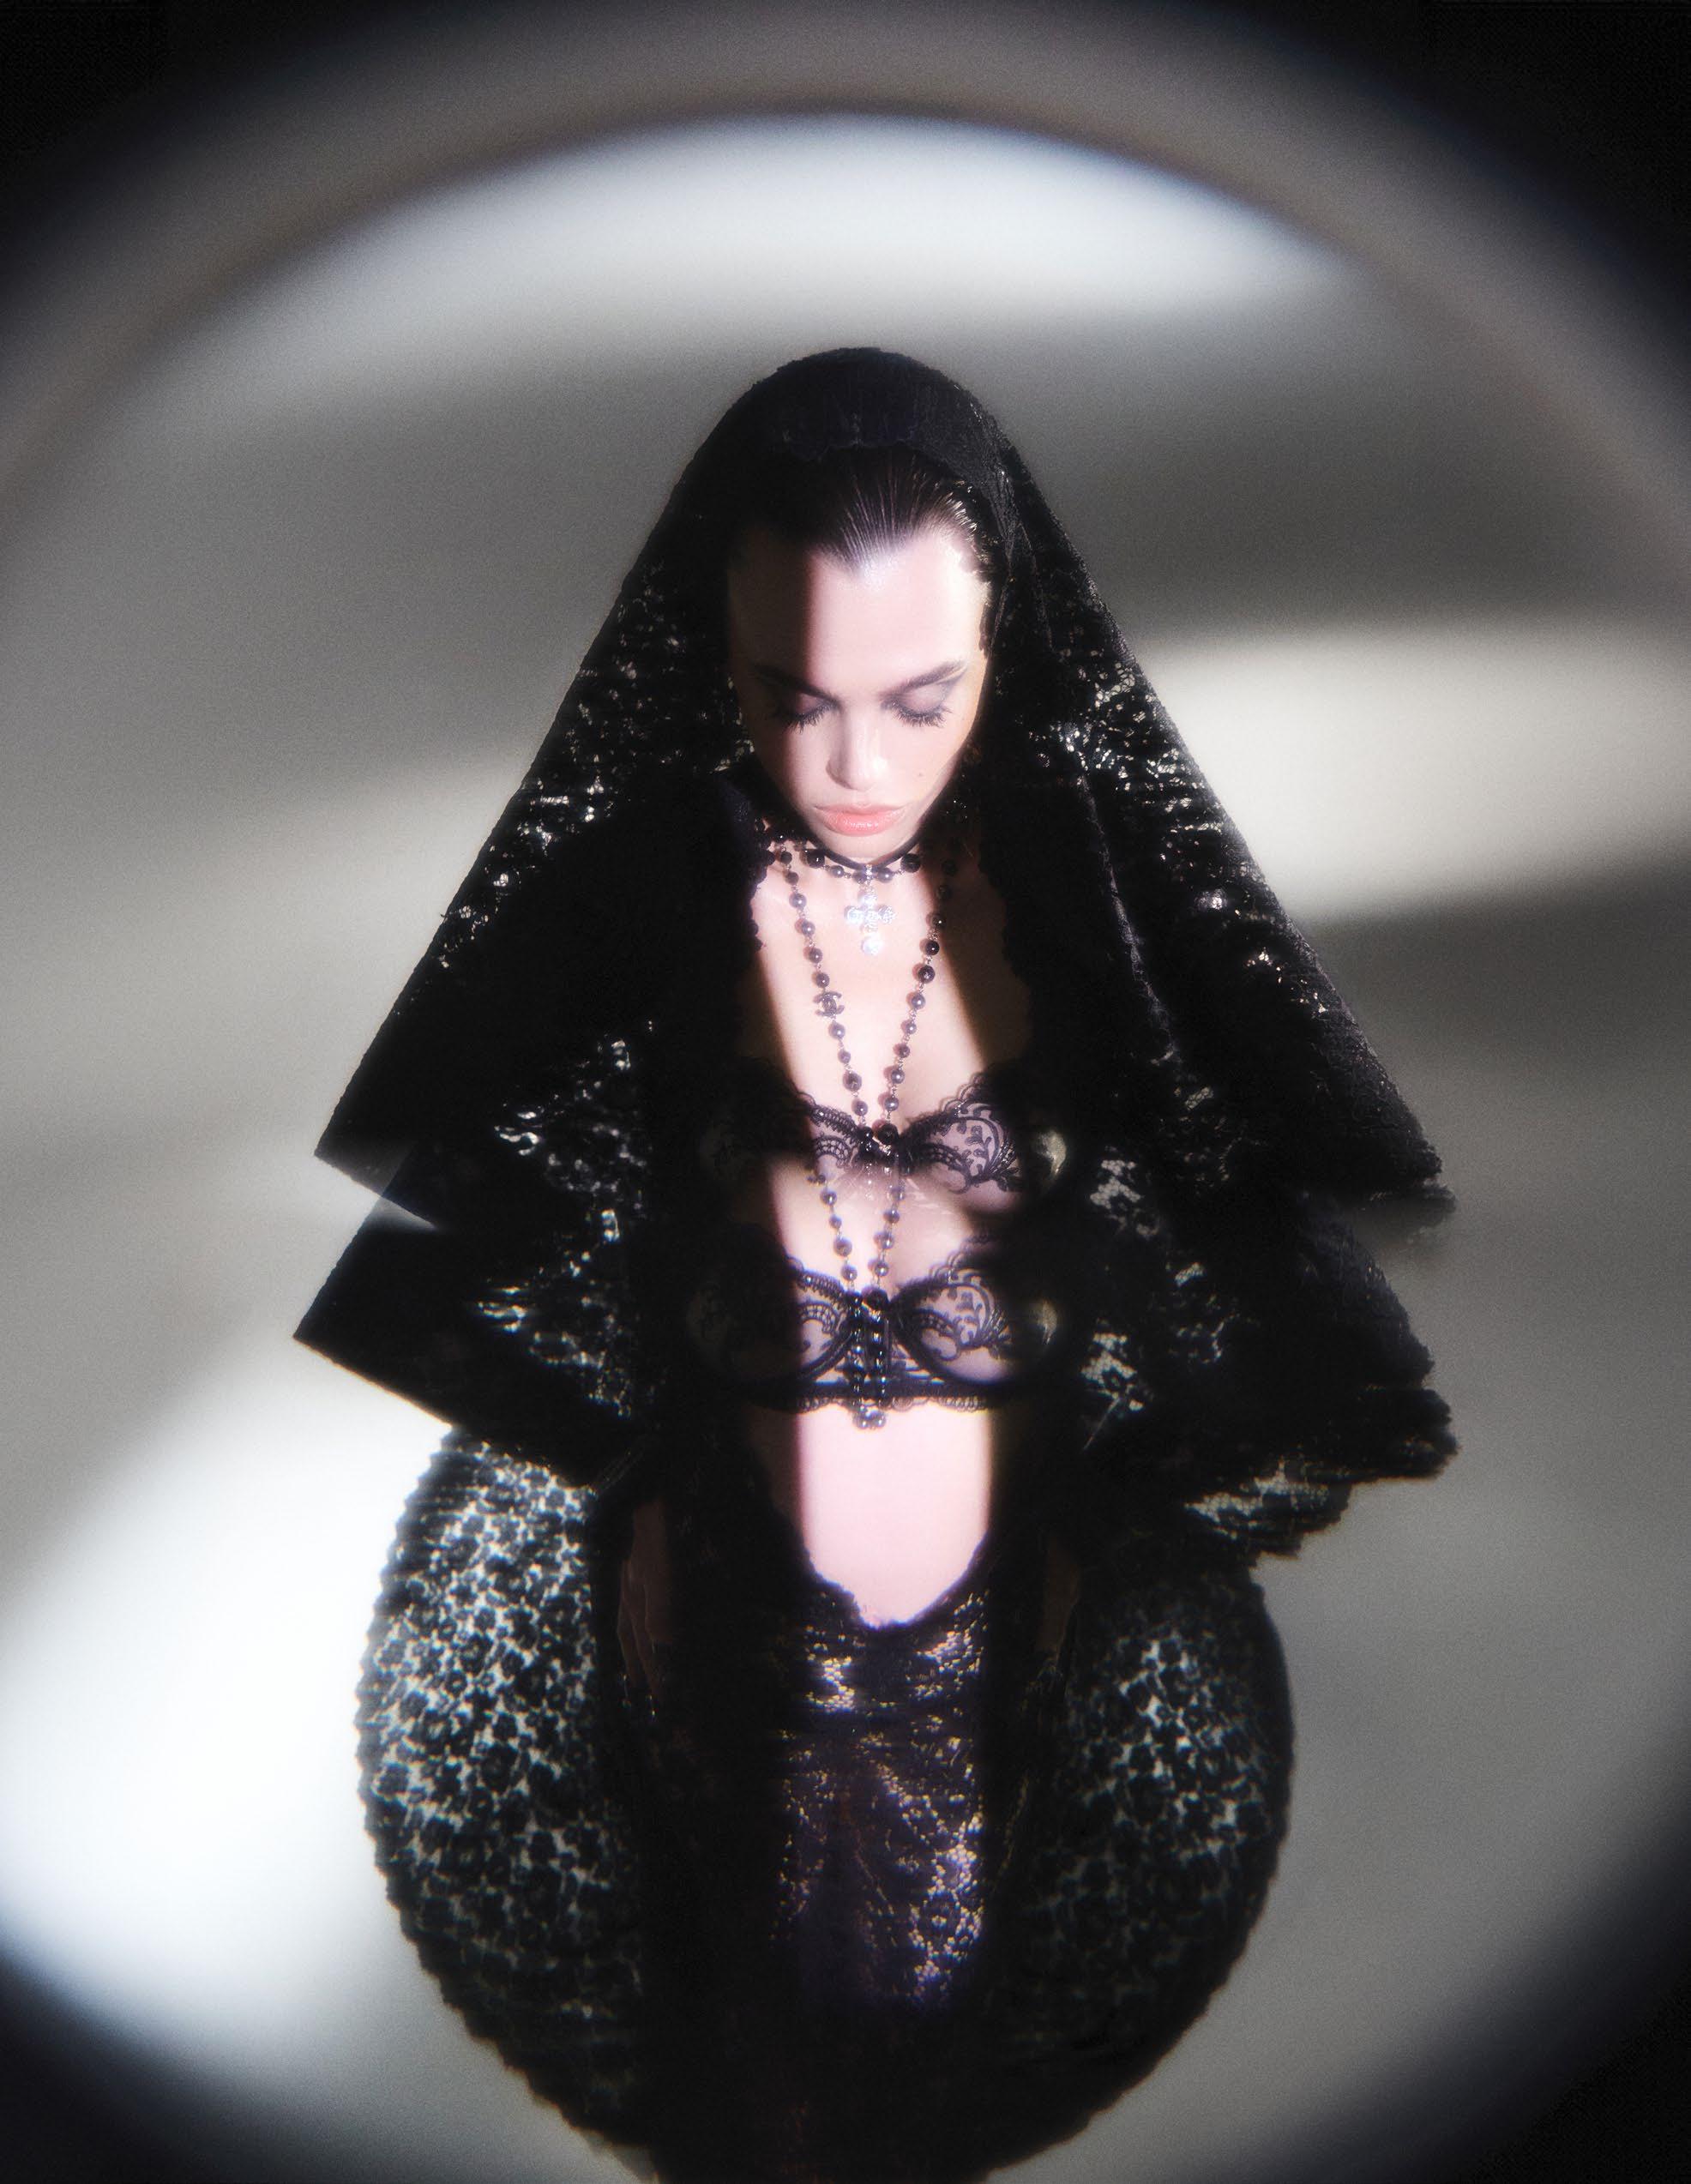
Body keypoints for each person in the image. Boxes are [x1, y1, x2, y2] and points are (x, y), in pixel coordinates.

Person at [298, 349, 1453, 2183]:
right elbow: (466, 1248)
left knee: (928, 2085)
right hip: (709, 1621)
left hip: (1005, 1635)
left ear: (1005, 654)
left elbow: (1271, 1277)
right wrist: (632, 1466)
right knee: (732, 2078)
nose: (853, 767)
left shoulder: (1078, 901)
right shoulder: (656, 892)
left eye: (920, 699)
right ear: (717, 660)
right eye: (793, 697)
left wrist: (1108, 1493)